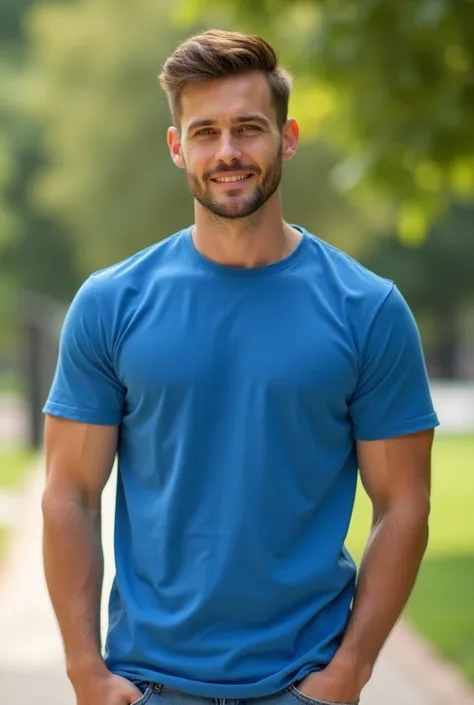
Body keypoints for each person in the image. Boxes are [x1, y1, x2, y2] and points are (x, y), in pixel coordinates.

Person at [42, 29, 439, 705]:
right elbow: (69, 492)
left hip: (303, 684)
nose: (228, 152)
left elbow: (404, 503)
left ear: (287, 138)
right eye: (206, 132)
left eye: (249, 128)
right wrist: (85, 669)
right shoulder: (112, 304)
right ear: (178, 148)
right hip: (148, 685)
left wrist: (352, 669)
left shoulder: (367, 310)